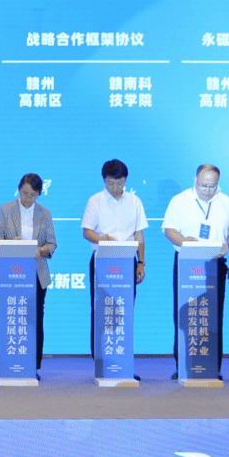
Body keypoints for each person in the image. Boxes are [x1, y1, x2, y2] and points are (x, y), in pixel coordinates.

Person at [162, 164, 229, 380]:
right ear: (195, 180)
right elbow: (169, 230)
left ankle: (213, 367)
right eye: (204, 185)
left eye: (212, 186)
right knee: (185, 315)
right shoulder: (179, 200)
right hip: (187, 263)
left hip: (215, 264)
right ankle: (183, 366)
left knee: (213, 316)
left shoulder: (226, 202)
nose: (208, 190)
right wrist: (184, 241)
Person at [82, 159, 148, 373]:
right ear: (104, 180)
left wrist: (141, 262)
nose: (115, 187)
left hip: (127, 260)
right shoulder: (95, 201)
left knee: (125, 310)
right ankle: (101, 361)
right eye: (110, 183)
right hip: (102, 259)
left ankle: (123, 362)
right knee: (101, 310)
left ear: (125, 180)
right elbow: (87, 231)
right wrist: (101, 238)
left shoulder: (134, 201)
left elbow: (139, 234)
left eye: (119, 182)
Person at [0, 173, 57, 374]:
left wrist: (40, 249)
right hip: (9, 271)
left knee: (34, 319)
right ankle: (9, 364)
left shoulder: (45, 213)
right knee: (11, 317)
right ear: (19, 189)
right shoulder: (6, 209)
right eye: (25, 193)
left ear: (39, 194)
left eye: (32, 195)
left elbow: (52, 244)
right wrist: (12, 244)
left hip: (36, 273)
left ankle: (32, 366)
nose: (28, 198)